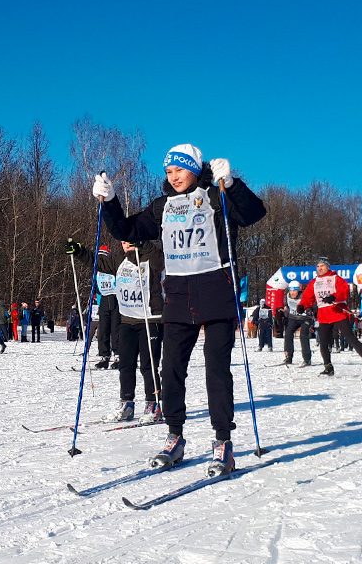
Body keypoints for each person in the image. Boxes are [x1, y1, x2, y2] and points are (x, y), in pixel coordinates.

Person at [94, 144, 266, 475]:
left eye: (180, 171)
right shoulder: (162, 207)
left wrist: (231, 185)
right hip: (177, 296)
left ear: (195, 170)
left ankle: (223, 444)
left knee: (216, 371)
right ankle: (175, 437)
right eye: (169, 172)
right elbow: (126, 230)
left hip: (215, 293)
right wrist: (110, 200)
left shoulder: (215, 197)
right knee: (170, 370)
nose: (173, 177)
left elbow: (253, 214)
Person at [102, 240, 165, 424]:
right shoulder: (120, 259)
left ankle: (153, 404)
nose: (125, 244)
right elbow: (100, 262)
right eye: (123, 241)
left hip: (150, 319)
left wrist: (142, 243)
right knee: (125, 364)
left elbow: (159, 260)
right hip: (127, 320)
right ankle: (127, 403)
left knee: (148, 365)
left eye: (129, 240)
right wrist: (79, 252)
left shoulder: (152, 256)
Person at [298, 256, 362, 376]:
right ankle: (328, 367)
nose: (319, 268)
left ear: (328, 266)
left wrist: (334, 297)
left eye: (322, 266)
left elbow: (344, 291)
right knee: (323, 343)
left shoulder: (335, 278)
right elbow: (307, 297)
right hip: (323, 315)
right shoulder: (314, 282)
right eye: (318, 266)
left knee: (351, 339)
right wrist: (302, 305)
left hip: (337, 312)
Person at [92, 245, 120, 367]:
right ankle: (104, 356)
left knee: (116, 329)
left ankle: (119, 355)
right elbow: (97, 288)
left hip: (115, 299)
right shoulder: (97, 271)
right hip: (104, 300)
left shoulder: (114, 267)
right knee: (103, 330)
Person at [281, 280, 314, 366]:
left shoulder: (304, 296)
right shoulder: (287, 296)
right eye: (291, 290)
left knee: (303, 336)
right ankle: (288, 357)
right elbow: (285, 305)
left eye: (294, 290)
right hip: (293, 318)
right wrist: (284, 309)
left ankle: (307, 359)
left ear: (298, 290)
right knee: (288, 334)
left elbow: (313, 305)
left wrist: (313, 317)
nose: (292, 293)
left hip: (306, 318)